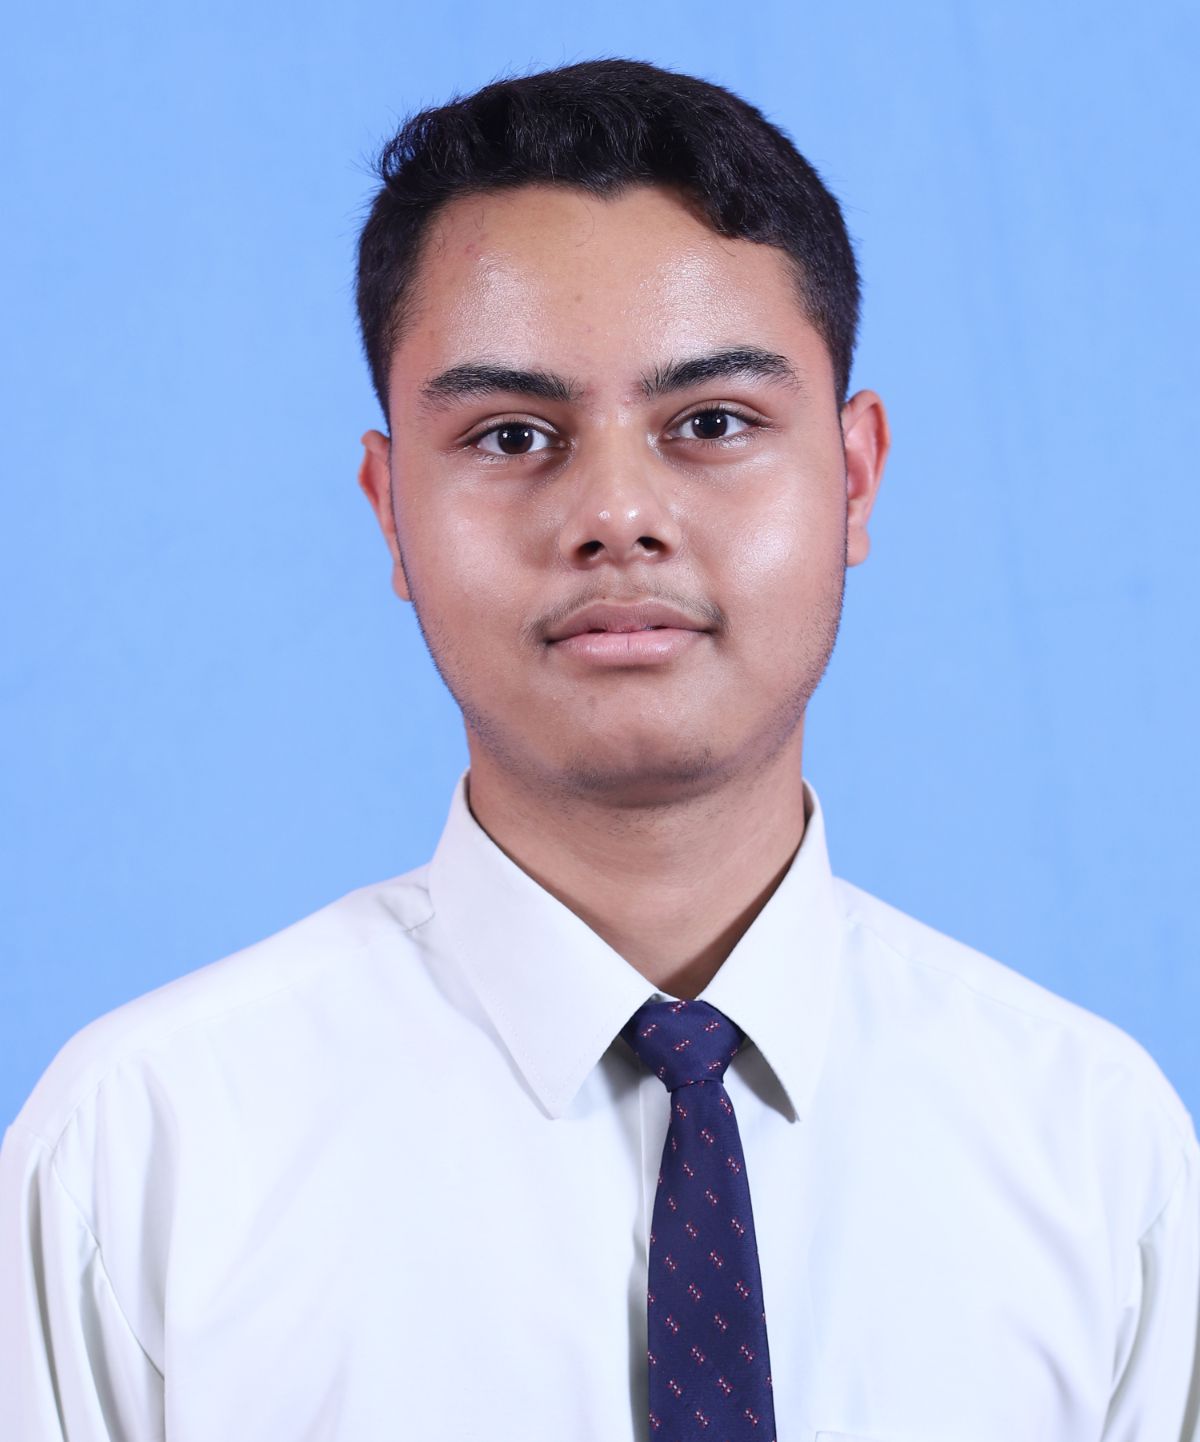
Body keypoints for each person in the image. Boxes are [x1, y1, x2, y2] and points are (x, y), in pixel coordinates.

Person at [2, 55, 1196, 1442]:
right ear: (390, 510)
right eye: (513, 433)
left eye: (713, 423)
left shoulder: (1099, 1156)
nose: (617, 514)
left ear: (856, 476)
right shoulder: (139, 1164)